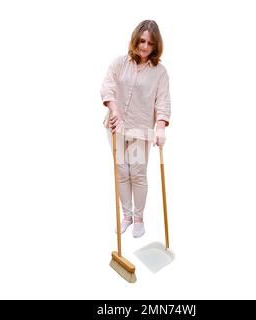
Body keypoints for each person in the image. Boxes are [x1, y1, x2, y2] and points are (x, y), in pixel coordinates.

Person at [100, 20, 171, 238]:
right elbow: (107, 87)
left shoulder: (159, 72)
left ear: (155, 45)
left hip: (140, 131)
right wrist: (113, 109)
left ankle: (139, 218)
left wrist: (160, 127)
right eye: (142, 41)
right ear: (135, 39)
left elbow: (163, 102)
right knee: (122, 172)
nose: (144, 47)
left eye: (150, 43)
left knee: (137, 174)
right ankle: (127, 216)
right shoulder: (119, 63)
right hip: (117, 128)